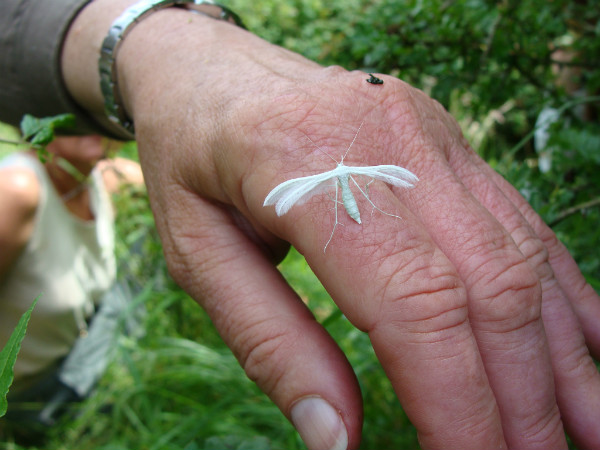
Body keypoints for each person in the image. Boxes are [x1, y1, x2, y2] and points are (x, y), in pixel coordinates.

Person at [1, 1, 599, 449]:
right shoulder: (19, 192)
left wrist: (153, 49)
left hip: (342, 184)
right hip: (53, 382)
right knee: (348, 205)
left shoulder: (97, 182)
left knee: (353, 199)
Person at [0, 135, 143, 441]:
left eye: (98, 102)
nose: (86, 118)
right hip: (24, 400)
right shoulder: (16, 192)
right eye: (72, 99)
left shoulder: (101, 178)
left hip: (75, 362)